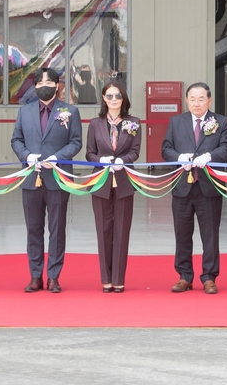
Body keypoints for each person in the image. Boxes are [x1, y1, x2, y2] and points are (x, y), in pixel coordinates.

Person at [10, 67, 83, 293]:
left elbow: (76, 142)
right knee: (33, 229)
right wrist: (26, 155)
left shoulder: (69, 111)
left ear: (57, 85)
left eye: (49, 82)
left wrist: (57, 158)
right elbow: (16, 140)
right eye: (40, 82)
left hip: (58, 178)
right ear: (34, 86)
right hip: (31, 178)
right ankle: (35, 276)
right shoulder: (25, 112)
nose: (45, 85)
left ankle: (53, 276)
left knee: (57, 228)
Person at [161, 82, 227, 294]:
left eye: (201, 99)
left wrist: (210, 156)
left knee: (210, 234)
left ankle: (209, 277)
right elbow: (166, 148)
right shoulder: (176, 122)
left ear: (209, 100)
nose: (196, 103)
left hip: (209, 186)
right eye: (192, 99)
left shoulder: (220, 121)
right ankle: (184, 276)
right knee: (182, 233)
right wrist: (178, 157)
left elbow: (226, 147)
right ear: (186, 100)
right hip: (182, 186)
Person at [85, 79, 142, 293]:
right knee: (104, 230)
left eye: (118, 95)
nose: (114, 99)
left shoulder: (134, 122)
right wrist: (100, 160)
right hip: (100, 182)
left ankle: (119, 279)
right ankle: (106, 279)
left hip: (124, 181)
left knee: (121, 231)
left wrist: (123, 161)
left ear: (124, 98)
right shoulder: (94, 124)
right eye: (110, 95)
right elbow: (89, 152)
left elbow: (135, 151)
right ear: (103, 98)